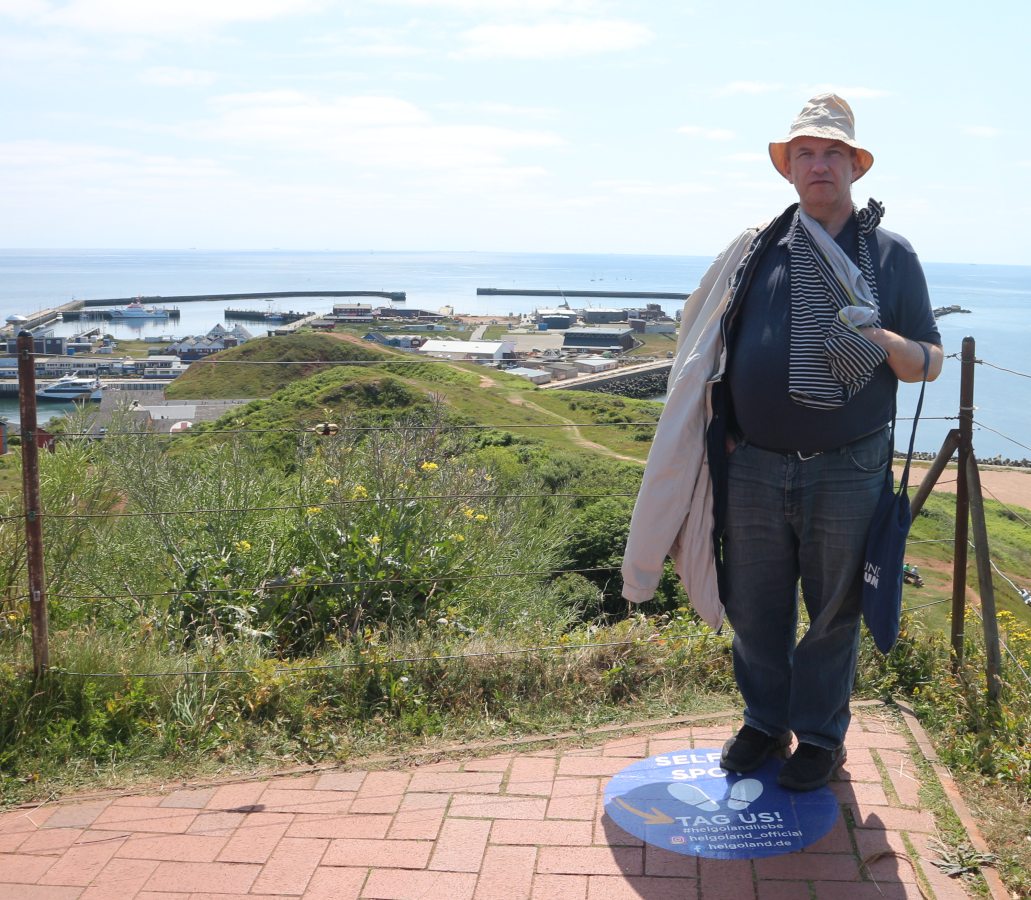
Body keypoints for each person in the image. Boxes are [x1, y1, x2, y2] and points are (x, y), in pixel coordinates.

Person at [621, 94, 943, 791]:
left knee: (833, 613)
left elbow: (928, 360)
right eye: (805, 153)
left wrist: (877, 338)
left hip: (848, 466)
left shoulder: (891, 255)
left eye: (831, 153)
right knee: (754, 605)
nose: (818, 164)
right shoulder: (757, 250)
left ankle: (821, 737)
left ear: (854, 166)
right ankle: (764, 722)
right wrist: (728, 440)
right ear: (788, 169)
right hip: (753, 465)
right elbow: (709, 347)